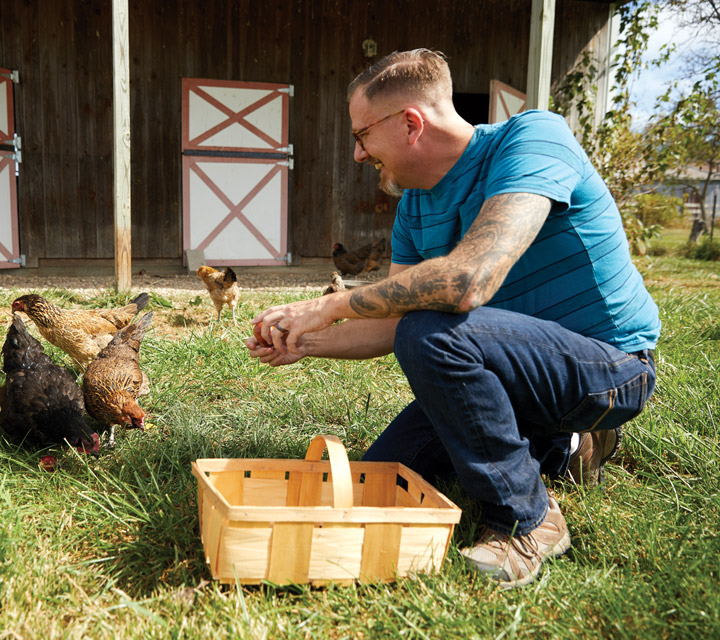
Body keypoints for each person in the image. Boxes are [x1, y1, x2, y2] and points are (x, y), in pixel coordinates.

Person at [246, 49, 659, 589]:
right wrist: (310, 340)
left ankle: (528, 521)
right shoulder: (415, 207)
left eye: (362, 134)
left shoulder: (532, 139)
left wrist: (331, 304)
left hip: (610, 368)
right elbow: (396, 325)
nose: (356, 153)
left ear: (411, 123)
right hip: (511, 370)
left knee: (432, 330)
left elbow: (469, 281)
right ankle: (563, 448)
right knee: (388, 474)